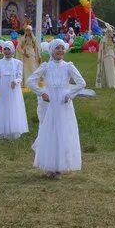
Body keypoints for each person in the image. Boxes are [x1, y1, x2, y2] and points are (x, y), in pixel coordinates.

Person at [27, 38, 86, 178]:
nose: (60, 51)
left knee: (63, 132)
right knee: (49, 132)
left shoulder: (68, 66)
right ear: (51, 50)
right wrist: (42, 93)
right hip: (50, 104)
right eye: (57, 48)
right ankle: (50, 165)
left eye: (62, 48)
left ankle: (60, 166)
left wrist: (69, 94)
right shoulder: (46, 66)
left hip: (63, 104)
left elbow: (81, 83)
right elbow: (30, 81)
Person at [0, 42, 29, 140]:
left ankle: (13, 129)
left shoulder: (18, 63)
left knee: (13, 106)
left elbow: (20, 76)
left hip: (13, 88)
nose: (6, 51)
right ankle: (2, 129)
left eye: (8, 49)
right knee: (3, 106)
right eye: (5, 49)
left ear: (12, 50)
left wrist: (15, 81)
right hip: (2, 88)